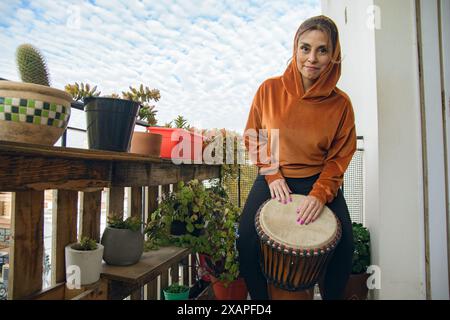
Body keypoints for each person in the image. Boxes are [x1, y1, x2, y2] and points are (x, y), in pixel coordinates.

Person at [237, 15, 356, 300]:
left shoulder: (341, 104)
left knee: (345, 247)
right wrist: (272, 173)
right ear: (295, 48)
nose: (311, 58)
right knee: (245, 242)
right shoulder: (269, 89)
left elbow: (339, 157)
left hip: (318, 180)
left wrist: (319, 194)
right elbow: (254, 136)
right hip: (273, 178)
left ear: (333, 54)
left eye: (322, 50)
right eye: (305, 48)